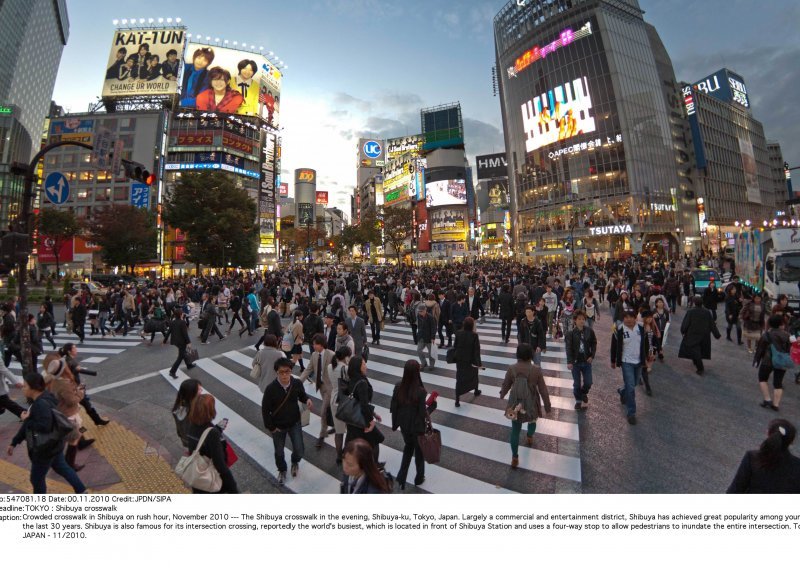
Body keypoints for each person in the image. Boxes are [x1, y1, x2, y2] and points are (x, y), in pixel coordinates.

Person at [7, 372, 86, 494]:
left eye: (25, 386)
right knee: (63, 468)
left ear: (34, 388)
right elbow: (30, 424)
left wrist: (27, 419)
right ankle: (81, 491)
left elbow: (44, 426)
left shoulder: (39, 405)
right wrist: (15, 441)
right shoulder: (47, 396)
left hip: (45, 449)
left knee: (36, 479)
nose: (23, 389)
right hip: (55, 443)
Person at [261, 358, 313, 485]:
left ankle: (294, 461)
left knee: (299, 449)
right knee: (279, 452)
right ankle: (282, 470)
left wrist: (307, 400)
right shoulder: (271, 389)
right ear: (276, 372)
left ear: (291, 371)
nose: (284, 375)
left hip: (294, 422)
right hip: (278, 426)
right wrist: (271, 427)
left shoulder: (296, 383)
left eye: (287, 371)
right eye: (281, 372)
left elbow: (302, 395)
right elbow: (265, 410)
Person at [499, 343, 551, 469]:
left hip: (515, 403)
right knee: (532, 421)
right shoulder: (536, 370)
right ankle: (529, 436)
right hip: (531, 402)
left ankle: (515, 457)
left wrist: (502, 394)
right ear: (531, 355)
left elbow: (506, 384)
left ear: (518, 354)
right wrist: (547, 405)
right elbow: (543, 389)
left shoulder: (512, 368)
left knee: (515, 430)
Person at [727, 419, 800, 493]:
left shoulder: (752, 457)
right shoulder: (797, 466)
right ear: (791, 442)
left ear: (768, 433)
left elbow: (735, 490)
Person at [186, 394, 238, 493]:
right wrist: (233, 487)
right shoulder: (212, 433)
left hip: (198, 478)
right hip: (211, 480)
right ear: (210, 411)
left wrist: (217, 429)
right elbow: (220, 464)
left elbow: (200, 441)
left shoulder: (192, 425)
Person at [390, 360, 427, 490]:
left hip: (404, 426)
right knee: (419, 452)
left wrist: (395, 424)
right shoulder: (421, 391)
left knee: (408, 448)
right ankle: (419, 477)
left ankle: (401, 476)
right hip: (417, 427)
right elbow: (423, 413)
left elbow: (394, 407)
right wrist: (432, 406)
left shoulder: (398, 386)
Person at [610, 310, 649, 425]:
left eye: (631, 317)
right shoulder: (619, 330)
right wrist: (613, 360)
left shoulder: (641, 329)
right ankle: (631, 413)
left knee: (635, 383)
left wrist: (646, 358)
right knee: (631, 388)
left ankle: (622, 391)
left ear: (635, 318)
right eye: (625, 317)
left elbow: (645, 344)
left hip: (638, 361)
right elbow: (614, 346)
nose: (628, 319)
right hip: (626, 361)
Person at [342, 356, 383, 462]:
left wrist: (373, 413)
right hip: (361, 419)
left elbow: (358, 401)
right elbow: (364, 405)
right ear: (358, 367)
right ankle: (373, 467)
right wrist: (370, 421)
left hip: (352, 419)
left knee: (356, 445)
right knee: (374, 441)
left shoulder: (351, 380)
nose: (366, 366)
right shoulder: (362, 383)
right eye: (363, 364)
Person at [299, 334, 335, 448]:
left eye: (316, 344)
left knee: (323, 411)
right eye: (313, 344)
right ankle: (338, 424)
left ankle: (322, 435)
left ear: (322, 344)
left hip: (330, 388)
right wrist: (298, 382)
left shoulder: (331, 355)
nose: (314, 346)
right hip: (321, 387)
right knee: (331, 409)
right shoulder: (314, 355)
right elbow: (308, 369)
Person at [753, 314, 790, 412]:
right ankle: (776, 404)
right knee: (778, 383)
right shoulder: (787, 335)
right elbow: (790, 349)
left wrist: (756, 361)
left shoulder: (766, 335)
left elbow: (760, 349)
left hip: (767, 361)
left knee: (762, 379)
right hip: (781, 362)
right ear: (781, 324)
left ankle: (767, 399)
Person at [679, 296, 721, 375]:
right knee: (699, 350)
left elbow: (686, 323)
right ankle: (696, 362)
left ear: (694, 303)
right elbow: (712, 324)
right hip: (704, 335)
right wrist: (717, 335)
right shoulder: (707, 312)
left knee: (695, 350)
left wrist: (683, 330)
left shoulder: (691, 312)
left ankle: (700, 367)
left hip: (692, 334)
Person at [565, 310, 597, 410]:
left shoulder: (589, 331)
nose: (581, 321)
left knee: (588, 382)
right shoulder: (570, 333)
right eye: (579, 319)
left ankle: (583, 393)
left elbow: (594, 343)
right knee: (577, 383)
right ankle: (578, 401)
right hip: (575, 362)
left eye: (583, 319)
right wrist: (569, 362)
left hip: (586, 361)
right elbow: (568, 348)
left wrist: (592, 356)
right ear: (575, 320)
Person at [328, 346, 352, 464]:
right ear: (346, 356)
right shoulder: (346, 369)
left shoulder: (329, 367)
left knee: (339, 431)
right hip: (344, 401)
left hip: (333, 400)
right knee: (349, 429)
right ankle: (346, 452)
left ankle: (338, 456)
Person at [452, 317, 482, 407]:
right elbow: (477, 350)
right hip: (471, 361)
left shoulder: (458, 333)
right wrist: (479, 363)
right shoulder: (474, 335)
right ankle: (476, 390)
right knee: (474, 376)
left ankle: (457, 400)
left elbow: (455, 346)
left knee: (460, 379)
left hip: (460, 361)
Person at [172, 378, 202, 449]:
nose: (201, 391)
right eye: (199, 389)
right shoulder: (194, 410)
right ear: (192, 393)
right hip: (198, 443)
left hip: (187, 440)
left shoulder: (179, 406)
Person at [168, 308, 196, 379]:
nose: (183, 314)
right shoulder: (182, 322)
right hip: (181, 342)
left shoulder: (173, 322)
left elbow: (169, 331)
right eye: (182, 313)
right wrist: (188, 342)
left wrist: (164, 340)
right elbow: (185, 334)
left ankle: (189, 365)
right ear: (181, 314)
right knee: (180, 357)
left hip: (175, 341)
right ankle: (172, 371)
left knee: (184, 353)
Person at [416, 304, 437, 371]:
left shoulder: (430, 317)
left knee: (431, 352)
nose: (420, 312)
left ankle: (432, 365)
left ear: (425, 310)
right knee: (419, 350)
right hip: (421, 336)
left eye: (421, 311)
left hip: (429, 337)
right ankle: (424, 362)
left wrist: (433, 337)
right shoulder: (418, 316)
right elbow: (419, 325)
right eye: (419, 311)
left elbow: (433, 328)